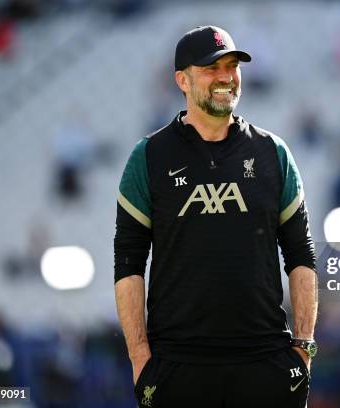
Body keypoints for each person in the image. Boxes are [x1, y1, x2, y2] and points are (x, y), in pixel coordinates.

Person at [114, 26, 318, 408]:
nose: (225, 76)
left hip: (266, 362)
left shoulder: (273, 153)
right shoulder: (148, 158)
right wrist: (140, 358)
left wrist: (303, 348)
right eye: (211, 68)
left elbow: (301, 254)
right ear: (182, 80)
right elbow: (128, 262)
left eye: (231, 66)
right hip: (178, 366)